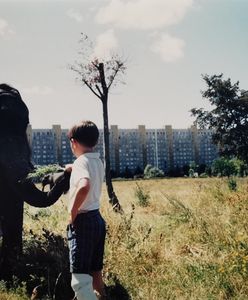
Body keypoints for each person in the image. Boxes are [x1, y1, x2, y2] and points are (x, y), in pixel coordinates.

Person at [67, 120, 106, 300]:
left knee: (80, 278)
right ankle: (102, 296)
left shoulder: (81, 162)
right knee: (95, 269)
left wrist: (72, 213)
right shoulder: (97, 161)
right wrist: (71, 167)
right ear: (95, 142)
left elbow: (84, 186)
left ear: (73, 142)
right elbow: (84, 169)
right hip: (97, 220)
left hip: (83, 222)